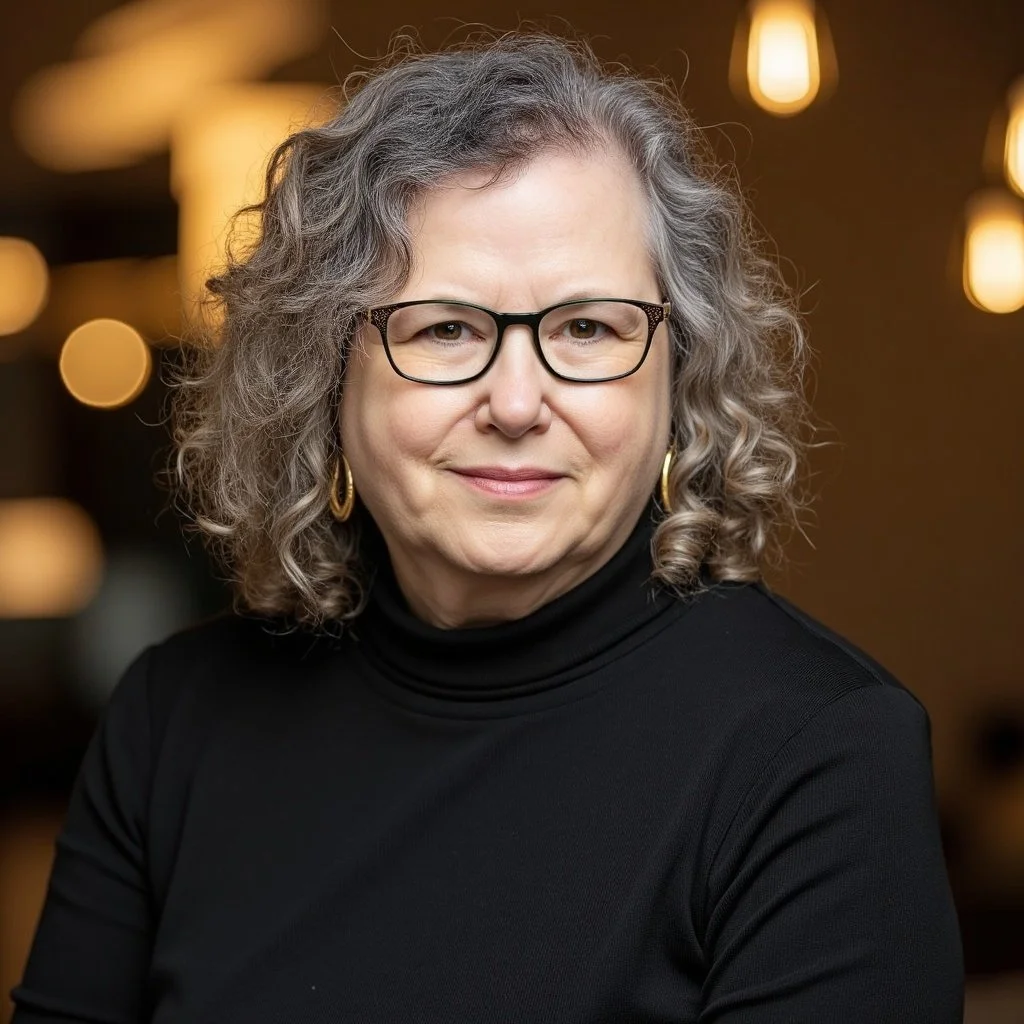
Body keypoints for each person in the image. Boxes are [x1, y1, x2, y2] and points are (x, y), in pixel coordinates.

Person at [12, 28, 964, 1024]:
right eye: (445, 328)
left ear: (678, 377)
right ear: (322, 377)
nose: (515, 402)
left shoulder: (819, 752)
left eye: (587, 328)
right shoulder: (173, 721)